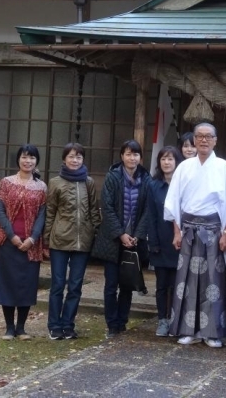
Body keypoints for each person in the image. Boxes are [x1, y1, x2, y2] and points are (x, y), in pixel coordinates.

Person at [164, 122, 226, 348]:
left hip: (214, 231)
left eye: (208, 136)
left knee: (213, 282)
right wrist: (176, 231)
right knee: (186, 281)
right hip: (188, 230)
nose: (204, 140)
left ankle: (212, 332)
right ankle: (188, 330)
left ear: (215, 140)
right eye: (199, 136)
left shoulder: (224, 167)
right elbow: (173, 200)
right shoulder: (184, 167)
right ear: (194, 140)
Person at [92, 140, 151, 338]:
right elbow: (106, 208)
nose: (132, 158)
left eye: (135, 154)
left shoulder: (146, 178)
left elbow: (148, 210)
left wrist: (137, 235)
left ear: (140, 157)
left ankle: (122, 321)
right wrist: (121, 234)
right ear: (121, 156)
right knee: (111, 285)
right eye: (128, 154)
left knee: (127, 284)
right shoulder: (113, 176)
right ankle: (111, 324)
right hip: (112, 240)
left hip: (134, 241)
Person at [0, 144, 47, 340]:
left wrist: (32, 238)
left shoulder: (41, 187)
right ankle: (9, 327)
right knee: (7, 283)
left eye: (32, 158)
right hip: (9, 241)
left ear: (36, 161)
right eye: (24, 157)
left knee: (26, 284)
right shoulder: (6, 183)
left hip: (31, 244)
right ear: (18, 159)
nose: (28, 161)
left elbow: (42, 216)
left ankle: (22, 328)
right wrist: (12, 236)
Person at [45, 143, 99, 340]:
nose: (75, 160)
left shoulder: (89, 182)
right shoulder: (55, 182)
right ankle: (54, 325)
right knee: (58, 284)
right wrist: (45, 239)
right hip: (59, 239)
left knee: (75, 285)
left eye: (79, 157)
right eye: (71, 157)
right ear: (64, 159)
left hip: (82, 240)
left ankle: (68, 324)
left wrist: (94, 232)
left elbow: (94, 210)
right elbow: (50, 211)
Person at [145, 145, 184, 337]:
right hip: (160, 240)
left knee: (178, 285)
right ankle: (162, 319)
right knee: (161, 285)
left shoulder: (184, 184)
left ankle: (177, 320)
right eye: (163, 159)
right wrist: (153, 243)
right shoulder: (153, 185)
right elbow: (150, 216)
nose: (167, 162)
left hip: (181, 242)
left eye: (170, 159)